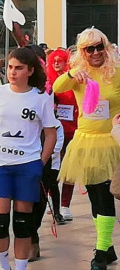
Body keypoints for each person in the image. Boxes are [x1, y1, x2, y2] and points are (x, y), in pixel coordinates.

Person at [0, 47, 58, 270]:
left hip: (27, 165)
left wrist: (41, 162)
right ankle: (4, 269)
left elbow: (51, 133)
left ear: (30, 71)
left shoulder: (40, 97)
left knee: (23, 224)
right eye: (10, 68)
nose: (12, 73)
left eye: (18, 68)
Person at [53, 27, 120, 270]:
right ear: (82, 51)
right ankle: (108, 246)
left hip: (111, 142)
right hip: (86, 142)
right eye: (88, 49)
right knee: (94, 197)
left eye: (98, 47)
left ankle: (101, 252)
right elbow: (58, 87)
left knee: (105, 196)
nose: (95, 53)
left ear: (106, 47)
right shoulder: (80, 74)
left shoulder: (116, 73)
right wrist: (72, 73)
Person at [30, 120, 65, 261]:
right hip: (22, 160)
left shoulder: (54, 123)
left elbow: (56, 144)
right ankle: (30, 238)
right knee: (23, 203)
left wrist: (43, 158)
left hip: (46, 163)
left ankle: (33, 237)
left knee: (41, 198)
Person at [50, 49, 78, 221]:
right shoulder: (48, 83)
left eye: (60, 60)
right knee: (52, 168)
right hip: (54, 131)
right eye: (54, 61)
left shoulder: (75, 81)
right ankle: (52, 200)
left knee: (70, 169)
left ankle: (65, 205)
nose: (56, 63)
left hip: (73, 130)